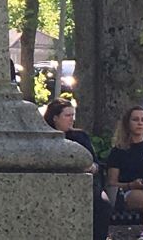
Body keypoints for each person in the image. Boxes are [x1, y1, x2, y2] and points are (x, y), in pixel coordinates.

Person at [43, 98, 111, 240]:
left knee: (103, 204)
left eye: (73, 115)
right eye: (67, 116)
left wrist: (92, 167)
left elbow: (96, 165)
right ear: (55, 118)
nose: (72, 119)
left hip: (86, 184)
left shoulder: (80, 137)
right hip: (55, 185)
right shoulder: (44, 139)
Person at [107, 106, 143, 239]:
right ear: (128, 123)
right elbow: (112, 183)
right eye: (135, 119)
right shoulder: (119, 151)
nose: (140, 123)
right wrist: (131, 184)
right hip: (127, 192)